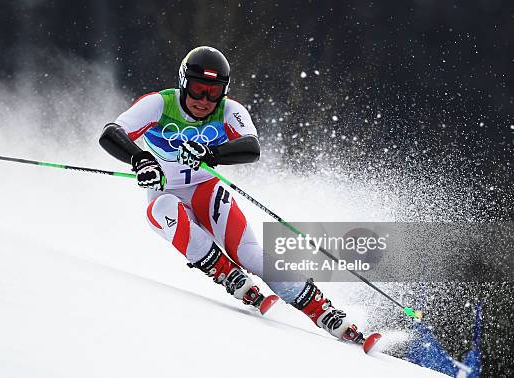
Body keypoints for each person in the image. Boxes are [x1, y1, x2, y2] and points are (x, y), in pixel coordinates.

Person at [99, 46, 364, 343]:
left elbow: (251, 147)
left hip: (206, 190)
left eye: (213, 93)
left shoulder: (230, 111)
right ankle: (225, 272)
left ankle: (322, 309)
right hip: (164, 191)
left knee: (249, 253)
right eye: (198, 90)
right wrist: (140, 159)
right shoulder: (159, 104)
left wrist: (212, 153)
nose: (204, 101)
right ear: (184, 83)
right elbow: (111, 132)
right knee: (161, 210)